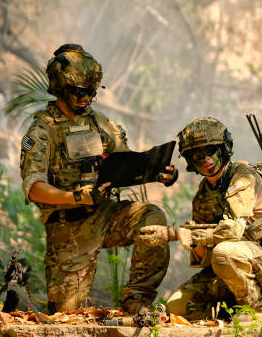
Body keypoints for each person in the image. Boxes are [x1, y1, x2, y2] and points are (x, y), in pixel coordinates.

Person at [19, 44, 176, 313]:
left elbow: (126, 163)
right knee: (66, 318)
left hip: (106, 214)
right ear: (59, 87)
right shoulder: (42, 129)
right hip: (67, 230)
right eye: (79, 92)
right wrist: (74, 197)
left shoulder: (100, 123)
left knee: (152, 218)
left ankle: (137, 299)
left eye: (91, 93)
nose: (85, 99)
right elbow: (34, 188)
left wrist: (157, 174)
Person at [140, 118, 262, 320]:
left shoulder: (242, 177)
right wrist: (194, 240)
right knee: (177, 307)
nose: (205, 159)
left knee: (225, 251)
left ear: (225, 149)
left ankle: (254, 312)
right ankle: (230, 314)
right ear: (189, 161)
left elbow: (232, 231)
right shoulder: (203, 193)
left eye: (211, 150)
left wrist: (172, 234)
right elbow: (204, 256)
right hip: (230, 267)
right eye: (197, 155)